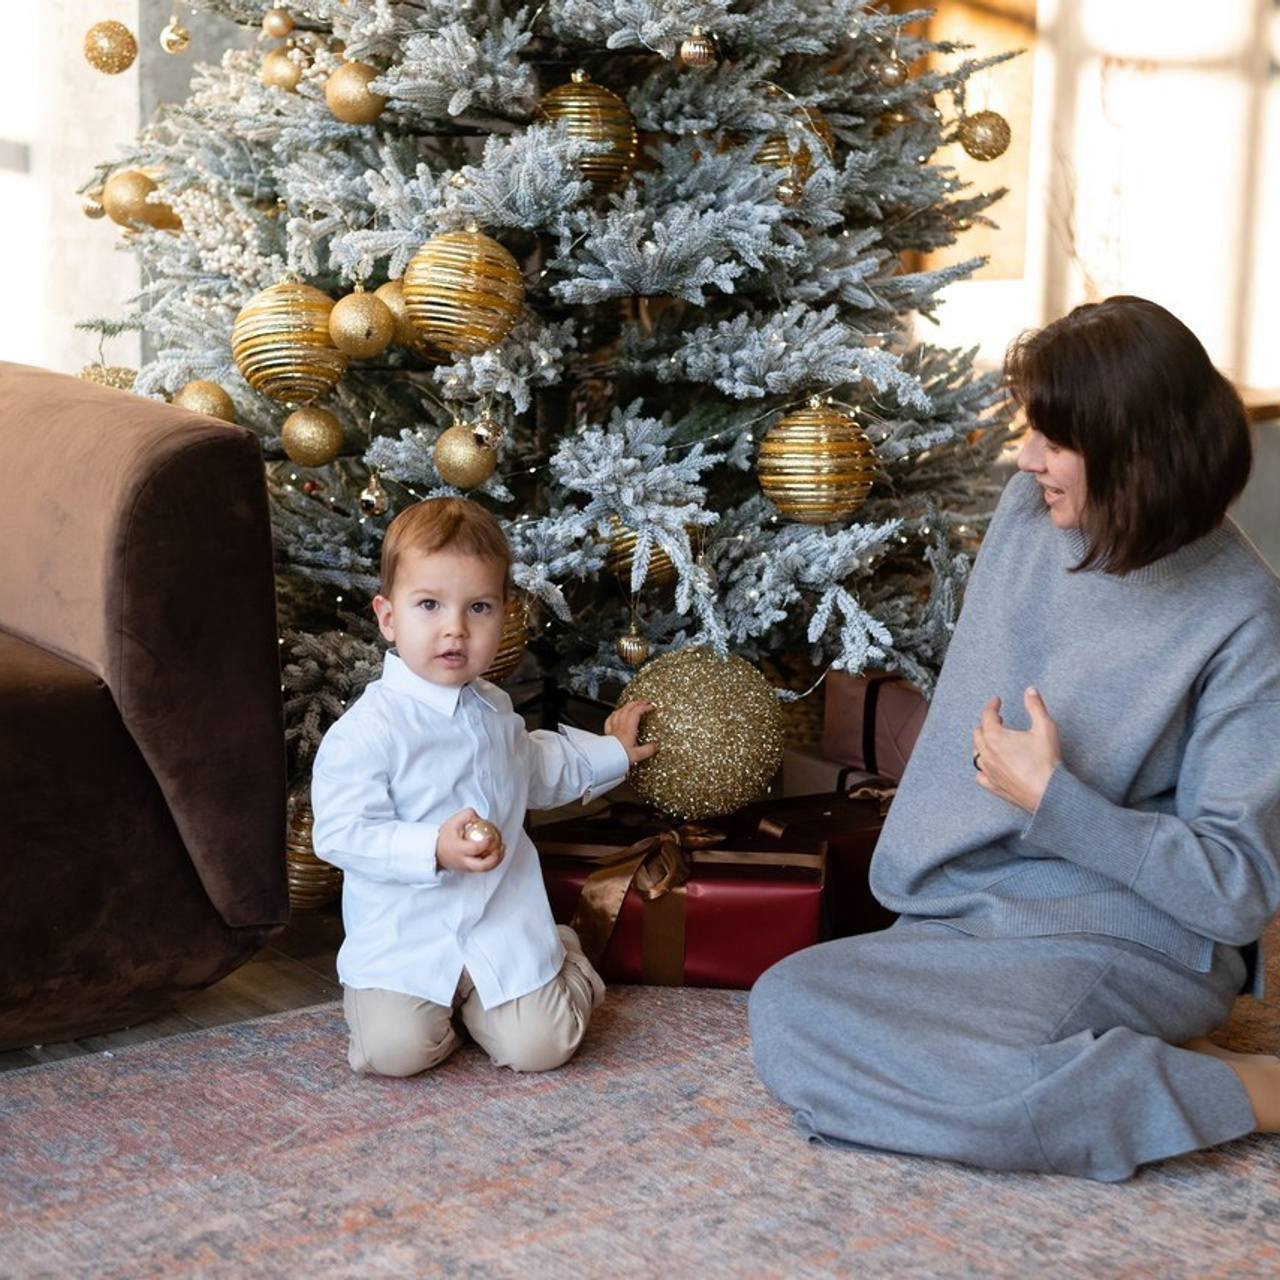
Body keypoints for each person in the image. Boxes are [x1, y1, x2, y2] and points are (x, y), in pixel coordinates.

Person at [749, 295, 1280, 1181]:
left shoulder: (1244, 619)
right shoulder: (1030, 516)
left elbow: (1237, 892)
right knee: (789, 1005)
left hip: (1127, 939)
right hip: (975, 914)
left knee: (982, 1080)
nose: (1027, 457)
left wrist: (1054, 803)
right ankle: (1103, 1081)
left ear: (1139, 455)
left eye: (1054, 440)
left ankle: (1250, 1092)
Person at [311, 496, 655, 1078]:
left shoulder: (496, 711)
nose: (455, 629)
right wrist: (432, 849)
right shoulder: (366, 732)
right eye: (429, 605)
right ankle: (440, 1011)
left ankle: (559, 952)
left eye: (478, 607)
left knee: (541, 1048)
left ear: (503, 616)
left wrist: (612, 753)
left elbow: (539, 768)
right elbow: (341, 834)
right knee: (392, 1054)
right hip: (407, 935)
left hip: (500, 923)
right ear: (388, 617)